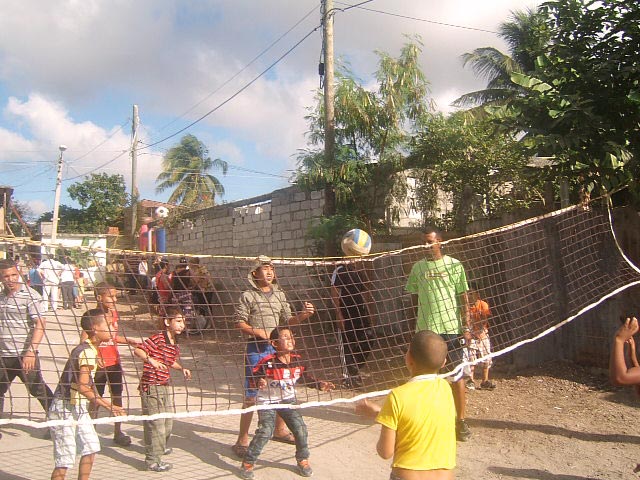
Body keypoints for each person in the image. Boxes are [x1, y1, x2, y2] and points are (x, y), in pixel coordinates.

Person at [232, 255, 316, 458]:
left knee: (282, 389)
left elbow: (288, 320)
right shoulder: (248, 296)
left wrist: (304, 315)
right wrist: (257, 331)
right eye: (264, 268)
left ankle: (279, 431)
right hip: (256, 350)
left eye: (271, 268)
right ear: (255, 273)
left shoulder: (280, 294)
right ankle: (242, 439)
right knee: (252, 395)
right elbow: (239, 322)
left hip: (278, 350)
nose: (269, 272)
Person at [356, 330, 456, 480]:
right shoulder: (446, 389)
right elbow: (421, 417)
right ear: (444, 363)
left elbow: (385, 452)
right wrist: (382, 415)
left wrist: (384, 418)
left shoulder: (397, 396)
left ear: (408, 358)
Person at [239, 326, 334, 479]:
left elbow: (303, 377)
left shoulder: (298, 360)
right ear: (275, 343)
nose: (291, 339)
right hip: (267, 401)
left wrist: (320, 384)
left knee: (300, 429)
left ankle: (302, 459)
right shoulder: (268, 362)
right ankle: (248, 463)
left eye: (291, 336)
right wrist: (259, 382)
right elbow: (254, 376)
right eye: (285, 337)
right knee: (265, 431)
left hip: (287, 400)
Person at [405, 227, 472, 441]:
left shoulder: (454, 265)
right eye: (424, 242)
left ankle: (460, 421)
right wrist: (412, 327)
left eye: (430, 242)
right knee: (424, 379)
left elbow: (464, 297)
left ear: (440, 242)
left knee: (457, 376)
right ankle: (426, 421)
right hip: (426, 332)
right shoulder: (418, 268)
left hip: (451, 329)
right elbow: (413, 298)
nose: (427, 246)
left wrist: (467, 326)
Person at [49, 309, 126, 480]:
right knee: (65, 459)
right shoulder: (87, 352)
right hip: (64, 408)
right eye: (108, 324)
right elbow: (84, 387)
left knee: (91, 447)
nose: (113, 327)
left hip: (78, 406)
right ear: (95, 328)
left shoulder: (91, 349)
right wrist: (110, 406)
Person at [134, 306, 192, 472]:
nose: (182, 325)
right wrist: (150, 360)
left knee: (167, 422)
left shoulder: (174, 342)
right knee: (157, 423)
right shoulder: (159, 338)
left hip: (164, 385)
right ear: (167, 322)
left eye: (184, 322)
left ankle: (157, 447)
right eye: (179, 321)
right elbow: (138, 349)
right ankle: (152, 460)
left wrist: (182, 369)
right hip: (151, 387)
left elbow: (169, 361)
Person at [0, 258, 53, 438]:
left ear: (20, 274)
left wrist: (31, 351)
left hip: (24, 355)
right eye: (6, 276)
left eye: (14, 274)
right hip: (3, 356)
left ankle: (58, 423)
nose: (11, 279)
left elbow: (40, 323)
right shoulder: (1, 297)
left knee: (37, 389)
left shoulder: (30, 296)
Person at [81, 282, 138, 447]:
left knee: (117, 396)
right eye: (110, 296)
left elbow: (112, 337)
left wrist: (127, 340)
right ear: (99, 298)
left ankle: (118, 431)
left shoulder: (114, 314)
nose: (114, 299)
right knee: (95, 399)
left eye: (115, 296)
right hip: (99, 365)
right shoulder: (93, 316)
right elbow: (84, 340)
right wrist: (94, 355)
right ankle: (90, 433)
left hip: (114, 362)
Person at [330, 256, 376, 388]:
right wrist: (338, 314)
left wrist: (370, 312)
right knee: (347, 345)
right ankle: (350, 378)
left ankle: (355, 369)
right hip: (346, 313)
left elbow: (366, 293)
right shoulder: (339, 270)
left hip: (361, 314)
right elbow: (334, 291)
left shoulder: (360, 272)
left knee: (369, 339)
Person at [463, 287, 496, 391]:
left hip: (482, 334)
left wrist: (479, 332)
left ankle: (485, 381)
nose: (469, 296)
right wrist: (469, 332)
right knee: (471, 358)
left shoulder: (483, 304)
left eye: (471, 293)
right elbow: (465, 321)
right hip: (471, 334)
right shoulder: (465, 306)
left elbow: (484, 320)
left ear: (477, 294)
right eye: (468, 293)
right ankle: (470, 380)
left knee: (487, 358)